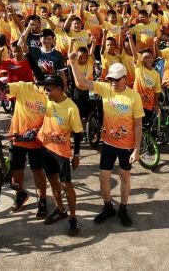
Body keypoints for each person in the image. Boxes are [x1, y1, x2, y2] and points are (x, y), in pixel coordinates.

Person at [70, 62, 143, 227]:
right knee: (104, 177)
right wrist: (73, 62)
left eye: (117, 79)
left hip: (126, 146)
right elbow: (82, 82)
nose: (114, 83)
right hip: (109, 143)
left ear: (125, 79)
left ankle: (123, 208)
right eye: (111, 79)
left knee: (124, 176)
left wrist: (137, 149)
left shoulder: (134, 96)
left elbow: (138, 124)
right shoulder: (105, 89)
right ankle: (108, 206)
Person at [37, 75, 83, 235]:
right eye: (44, 89)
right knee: (53, 181)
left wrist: (76, 155)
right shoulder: (49, 99)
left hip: (61, 152)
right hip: (45, 147)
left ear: (59, 89)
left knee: (66, 185)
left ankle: (72, 217)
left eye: (48, 89)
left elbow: (78, 133)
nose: (45, 92)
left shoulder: (71, 108)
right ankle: (60, 209)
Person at [6, 78, 50, 218]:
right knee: (16, 170)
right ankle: (20, 195)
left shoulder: (50, 93)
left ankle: (42, 200)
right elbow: (6, 88)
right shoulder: (22, 86)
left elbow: (52, 119)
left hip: (36, 140)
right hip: (17, 136)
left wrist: (37, 130)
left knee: (38, 171)